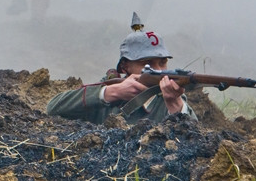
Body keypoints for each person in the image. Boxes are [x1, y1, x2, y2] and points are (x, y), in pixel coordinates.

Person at [46, 13, 197, 124]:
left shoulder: (170, 97)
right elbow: (53, 108)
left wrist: (175, 105)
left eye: (162, 62)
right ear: (125, 66)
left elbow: (196, 138)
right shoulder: (108, 92)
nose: (158, 69)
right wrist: (110, 93)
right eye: (147, 64)